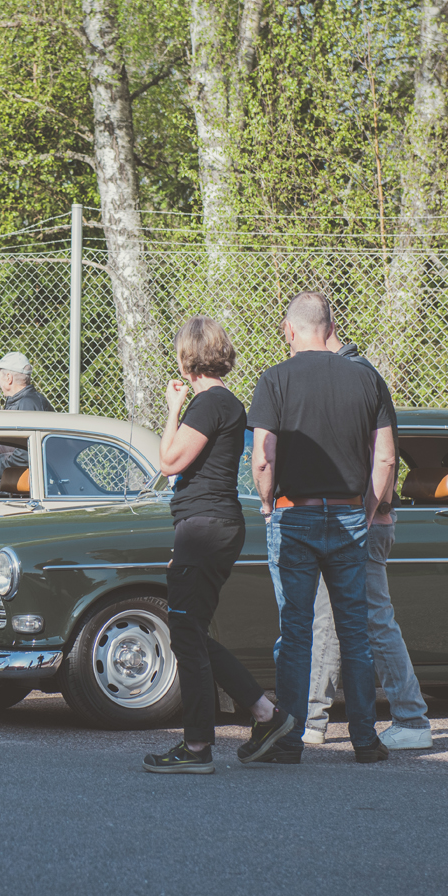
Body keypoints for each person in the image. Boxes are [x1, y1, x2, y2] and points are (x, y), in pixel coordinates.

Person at [247, 291, 397, 765]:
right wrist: (366, 510)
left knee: (296, 631)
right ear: (330, 327)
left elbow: (263, 457)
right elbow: (386, 458)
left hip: (294, 515)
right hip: (350, 514)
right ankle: (365, 739)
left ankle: (289, 739)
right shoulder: (367, 378)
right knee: (354, 630)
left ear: (289, 330)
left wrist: (268, 504)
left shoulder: (275, 379)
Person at [144, 318, 294, 774]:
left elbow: (169, 461)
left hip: (205, 526)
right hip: (209, 526)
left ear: (186, 357)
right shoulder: (224, 403)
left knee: (185, 633)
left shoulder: (210, 403)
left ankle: (196, 747)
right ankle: (267, 715)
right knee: (192, 630)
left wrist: (173, 408)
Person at [302, 324, 431, 750]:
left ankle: (411, 718)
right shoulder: (362, 374)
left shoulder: (357, 376)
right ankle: (313, 720)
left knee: (373, 618)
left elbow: (386, 458)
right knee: (330, 619)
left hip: (362, 519)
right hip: (362, 518)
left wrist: (365, 514)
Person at [0, 352, 52, 491]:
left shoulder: (27, 404)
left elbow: (26, 453)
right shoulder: (22, 402)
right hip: (15, 488)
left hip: (21, 493)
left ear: (9, 378)